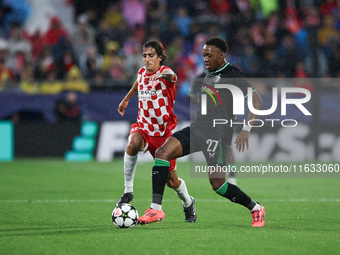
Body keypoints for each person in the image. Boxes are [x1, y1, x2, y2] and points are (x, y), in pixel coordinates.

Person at [138, 37, 266, 227]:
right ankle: (155, 208)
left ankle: (256, 208)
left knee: (218, 185)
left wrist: (246, 129)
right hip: (198, 128)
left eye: (209, 55)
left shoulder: (232, 74)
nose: (205, 59)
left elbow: (257, 102)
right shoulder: (207, 74)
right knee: (162, 153)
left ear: (221, 55)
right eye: (204, 55)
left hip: (218, 135)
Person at [116, 40, 197, 223]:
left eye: (151, 55)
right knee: (133, 143)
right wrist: (127, 99)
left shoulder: (165, 74)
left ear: (160, 58)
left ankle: (188, 202)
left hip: (164, 136)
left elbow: (171, 75)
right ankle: (128, 191)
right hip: (144, 127)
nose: (146, 59)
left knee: (172, 182)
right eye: (144, 55)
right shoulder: (142, 73)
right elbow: (138, 83)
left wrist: (162, 75)